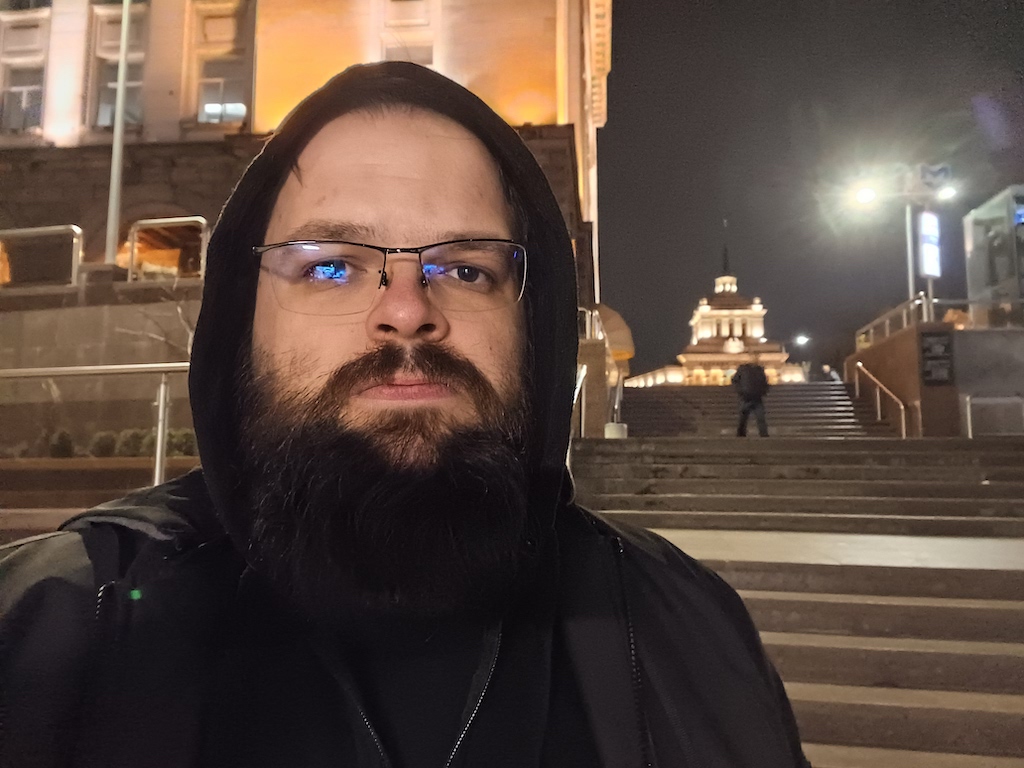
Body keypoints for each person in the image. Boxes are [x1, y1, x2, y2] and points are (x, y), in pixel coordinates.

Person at [0, 63, 808, 767]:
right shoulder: (57, 621)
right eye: (330, 267)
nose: (406, 311)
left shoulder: (686, 628)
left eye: (465, 268)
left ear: (535, 324)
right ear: (241, 322)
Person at [733, 356, 771, 437]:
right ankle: (741, 433)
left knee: (760, 417)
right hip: (746, 397)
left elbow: (764, 381)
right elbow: (735, 380)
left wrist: (764, 391)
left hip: (757, 397)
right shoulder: (743, 369)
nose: (755, 359)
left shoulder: (760, 369)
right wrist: (741, 391)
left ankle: (763, 433)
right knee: (743, 418)